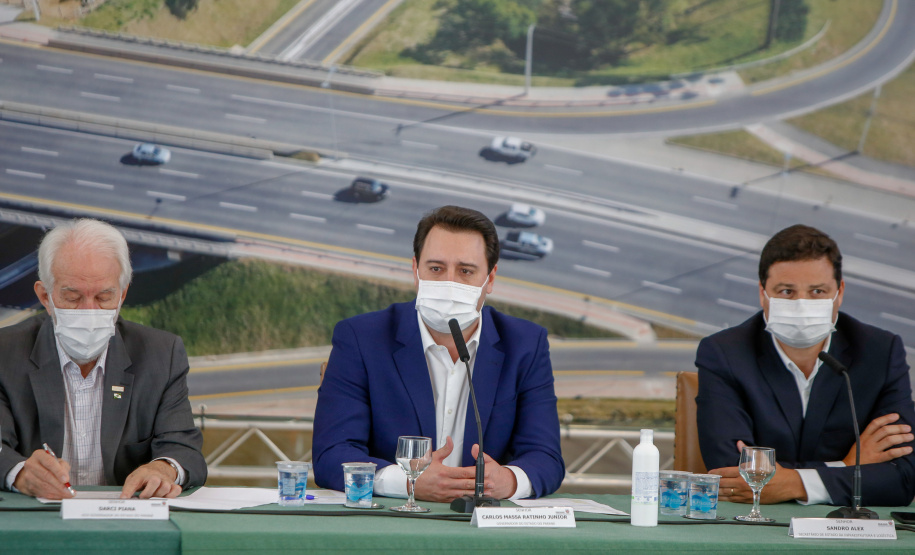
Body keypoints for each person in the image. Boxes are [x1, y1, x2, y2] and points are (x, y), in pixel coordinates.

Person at [312, 205, 564, 501]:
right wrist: (407, 481)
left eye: (466, 271)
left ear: (490, 278)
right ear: (415, 271)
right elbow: (332, 454)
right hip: (391, 523)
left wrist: (508, 480)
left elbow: (545, 457)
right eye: (436, 269)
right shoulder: (361, 338)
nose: (449, 283)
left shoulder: (525, 344)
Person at [696, 224, 915, 507]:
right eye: (786, 291)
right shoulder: (724, 353)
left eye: (817, 291)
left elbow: (903, 478)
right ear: (763, 294)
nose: (802, 304)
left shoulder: (880, 353)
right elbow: (732, 474)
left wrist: (793, 482)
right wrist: (846, 466)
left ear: (840, 293)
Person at [0, 219, 206, 499]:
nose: (89, 310)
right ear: (45, 297)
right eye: (72, 297)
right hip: (36, 520)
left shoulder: (161, 353)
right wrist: (21, 473)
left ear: (122, 295)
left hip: (125, 519)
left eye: (103, 297)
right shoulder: (6, 352)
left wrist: (163, 469)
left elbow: (183, 448)